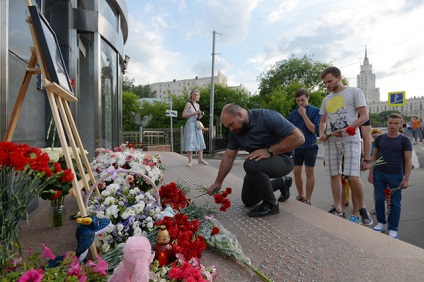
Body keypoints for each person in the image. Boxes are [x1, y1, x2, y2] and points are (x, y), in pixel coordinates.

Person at [207, 103, 305, 217]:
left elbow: (299, 138)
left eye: (231, 124)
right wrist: (218, 182)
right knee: (249, 200)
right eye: (228, 127)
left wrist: (269, 151)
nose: (231, 129)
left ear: (240, 115)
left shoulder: (267, 117)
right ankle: (282, 182)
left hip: (284, 159)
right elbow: (229, 156)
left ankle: (271, 205)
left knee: (250, 165)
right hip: (258, 163)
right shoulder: (236, 131)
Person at [318, 66, 373, 225]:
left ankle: (362, 208)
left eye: (329, 81)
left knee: (352, 175)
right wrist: (322, 133)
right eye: (325, 83)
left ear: (339, 77)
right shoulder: (326, 99)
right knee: (334, 174)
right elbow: (322, 122)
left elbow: (364, 116)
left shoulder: (355, 92)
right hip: (332, 141)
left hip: (350, 138)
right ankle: (338, 208)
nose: (327, 85)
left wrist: (348, 128)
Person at [368, 113, 412, 239]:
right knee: (379, 199)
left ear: (401, 124)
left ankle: (393, 228)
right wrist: (371, 172)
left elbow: (408, 161)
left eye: (396, 123)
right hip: (379, 173)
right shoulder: (380, 138)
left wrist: (406, 179)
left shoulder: (405, 140)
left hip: (396, 175)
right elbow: (374, 156)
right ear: (387, 123)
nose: (393, 126)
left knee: (395, 203)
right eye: (391, 123)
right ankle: (381, 222)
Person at [288, 89, 320, 205]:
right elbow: (289, 130)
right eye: (298, 101)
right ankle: (300, 195)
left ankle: (308, 198)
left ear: (308, 98)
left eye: (302, 100)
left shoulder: (316, 111)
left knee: (309, 172)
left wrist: (304, 115)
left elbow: (313, 129)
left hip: (310, 145)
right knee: (296, 171)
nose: (300, 103)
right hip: (296, 146)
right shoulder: (292, 114)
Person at [182, 89, 208, 167]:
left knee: (200, 140)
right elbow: (183, 115)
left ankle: (200, 159)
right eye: (194, 94)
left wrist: (200, 114)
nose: (195, 96)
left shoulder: (198, 105)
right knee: (190, 142)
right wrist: (194, 113)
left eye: (197, 95)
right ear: (191, 95)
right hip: (190, 124)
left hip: (196, 125)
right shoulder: (188, 104)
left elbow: (198, 118)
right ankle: (190, 161)